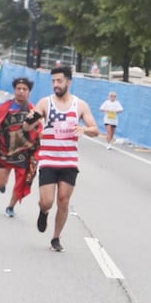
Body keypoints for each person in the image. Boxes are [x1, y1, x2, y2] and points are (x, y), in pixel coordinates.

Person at [33, 63, 100, 253]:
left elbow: (95, 130)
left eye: (59, 81)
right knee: (47, 201)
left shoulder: (80, 105)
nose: (56, 84)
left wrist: (84, 129)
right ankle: (44, 211)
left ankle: (55, 237)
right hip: (48, 159)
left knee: (63, 200)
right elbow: (31, 122)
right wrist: (31, 121)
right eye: (53, 81)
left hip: (69, 161)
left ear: (68, 82)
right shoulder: (46, 103)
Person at [0, 75, 43, 217]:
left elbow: (39, 128)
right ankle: (1, 184)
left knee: (21, 182)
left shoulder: (33, 110)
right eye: (18, 88)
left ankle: (11, 207)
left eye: (24, 89)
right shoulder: (4, 106)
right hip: (4, 150)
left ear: (29, 92)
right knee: (0, 182)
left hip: (25, 152)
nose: (21, 91)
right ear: (14, 90)